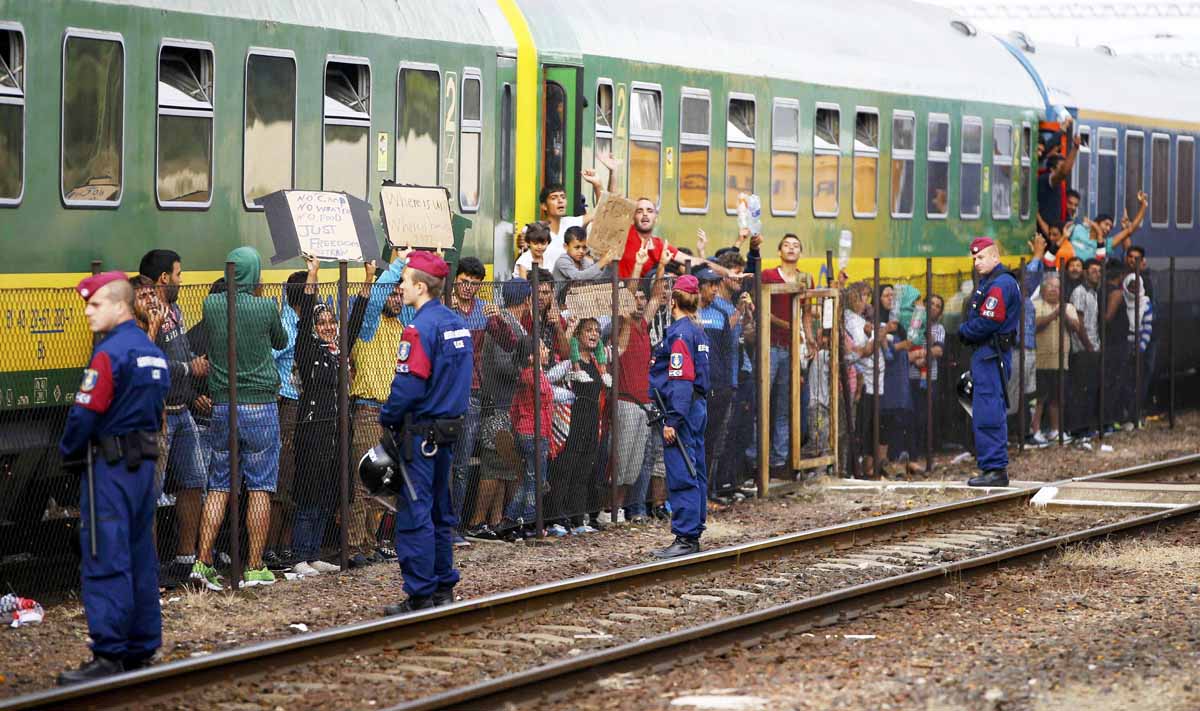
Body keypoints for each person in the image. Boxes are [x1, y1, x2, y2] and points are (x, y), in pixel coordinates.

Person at [57, 273, 170, 684]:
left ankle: (107, 654)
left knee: (104, 554)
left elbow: (85, 413)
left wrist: (68, 452)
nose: (88, 312)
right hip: (145, 467)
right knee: (141, 555)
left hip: (108, 468)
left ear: (120, 306)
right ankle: (142, 646)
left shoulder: (109, 354)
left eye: (95, 304)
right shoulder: (151, 352)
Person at [378, 251, 473, 613]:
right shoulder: (457, 324)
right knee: (440, 512)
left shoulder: (418, 329)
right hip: (449, 432)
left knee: (416, 513)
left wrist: (388, 416)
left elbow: (409, 386)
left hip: (419, 435)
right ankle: (443, 589)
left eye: (404, 281)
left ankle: (419, 594)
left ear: (420, 287)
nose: (400, 287)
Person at [192, 247, 288, 590]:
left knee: (219, 484)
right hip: (261, 405)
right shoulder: (265, 308)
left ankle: (202, 562)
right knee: (260, 485)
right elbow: (281, 340)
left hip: (222, 405)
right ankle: (255, 566)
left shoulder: (212, 305)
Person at [288, 258, 371, 577]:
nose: (328, 327)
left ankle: (314, 553)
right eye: (321, 323)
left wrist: (367, 279)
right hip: (314, 432)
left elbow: (357, 319)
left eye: (331, 322)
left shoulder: (339, 351)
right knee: (308, 495)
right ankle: (299, 557)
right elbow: (304, 316)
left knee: (328, 495)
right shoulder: (307, 349)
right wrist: (313, 275)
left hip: (338, 434)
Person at [138, 249, 209, 585]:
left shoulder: (175, 309)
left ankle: (184, 559)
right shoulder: (144, 312)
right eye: (179, 274)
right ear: (164, 278)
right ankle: (149, 566)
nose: (182, 280)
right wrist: (187, 367)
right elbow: (146, 362)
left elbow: (182, 350)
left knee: (194, 480)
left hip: (183, 410)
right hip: (160, 414)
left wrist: (195, 367)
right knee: (149, 493)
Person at [649, 274, 710, 558]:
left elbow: (681, 379)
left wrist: (673, 420)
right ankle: (694, 528)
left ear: (673, 301)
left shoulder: (680, 334)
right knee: (695, 468)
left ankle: (685, 536)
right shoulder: (699, 330)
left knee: (682, 469)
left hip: (682, 409)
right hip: (697, 407)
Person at [958, 237, 1021, 487]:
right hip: (988, 354)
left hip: (991, 354)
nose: (976, 262)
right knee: (986, 408)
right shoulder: (992, 282)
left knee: (988, 411)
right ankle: (991, 467)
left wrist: (964, 331)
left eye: (981, 257)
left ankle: (994, 468)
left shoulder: (1000, 284)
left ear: (995, 257)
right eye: (974, 258)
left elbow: (988, 321)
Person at [264, 269, 307, 567]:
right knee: (284, 475)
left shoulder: (307, 323)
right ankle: (272, 547)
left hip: (306, 403)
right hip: (288, 404)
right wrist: (277, 389)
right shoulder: (285, 324)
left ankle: (287, 545)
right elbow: (268, 359)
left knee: (297, 477)